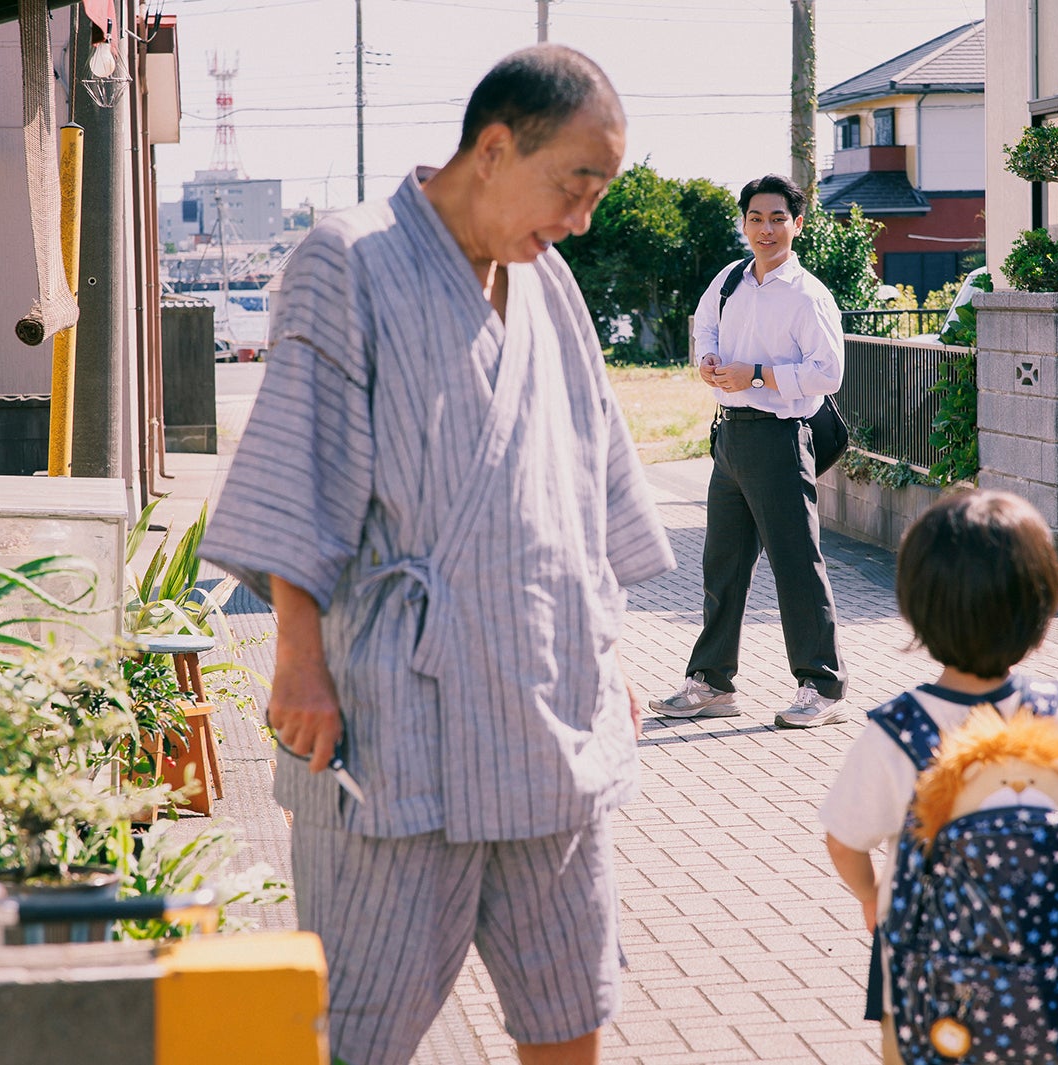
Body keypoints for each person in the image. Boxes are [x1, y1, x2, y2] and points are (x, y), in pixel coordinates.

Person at [199, 45, 675, 1065]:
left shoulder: (549, 287)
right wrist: (296, 660)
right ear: (495, 149)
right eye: (575, 184)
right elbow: (300, 458)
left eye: (600, 190)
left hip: (549, 718)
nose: (583, 218)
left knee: (570, 1006)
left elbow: (584, 485)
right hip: (397, 720)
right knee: (355, 1027)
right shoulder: (349, 257)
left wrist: (610, 656)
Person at [819, 489, 1058, 1062]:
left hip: (927, 994)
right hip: (1048, 990)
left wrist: (871, 898)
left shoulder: (899, 732)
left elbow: (843, 840)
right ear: (1040, 609)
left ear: (915, 607)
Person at [650, 174, 847, 728]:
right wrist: (708, 362)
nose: (766, 229)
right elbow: (704, 330)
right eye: (756, 218)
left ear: (797, 224)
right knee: (723, 565)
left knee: (795, 565)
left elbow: (827, 373)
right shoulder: (730, 279)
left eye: (778, 218)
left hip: (780, 440)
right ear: (744, 224)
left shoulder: (808, 296)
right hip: (730, 438)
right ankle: (711, 683)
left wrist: (755, 375)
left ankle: (823, 686)